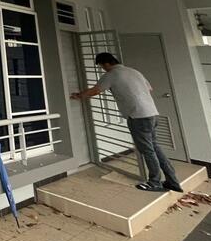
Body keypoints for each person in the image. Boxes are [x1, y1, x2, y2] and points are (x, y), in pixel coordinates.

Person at [71, 51, 183, 193]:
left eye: (101, 66)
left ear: (106, 63)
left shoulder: (112, 74)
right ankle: (172, 181)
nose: (102, 69)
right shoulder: (134, 72)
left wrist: (79, 95)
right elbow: (150, 89)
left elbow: (95, 91)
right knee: (155, 148)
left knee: (148, 151)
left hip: (138, 116)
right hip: (152, 114)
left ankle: (155, 182)